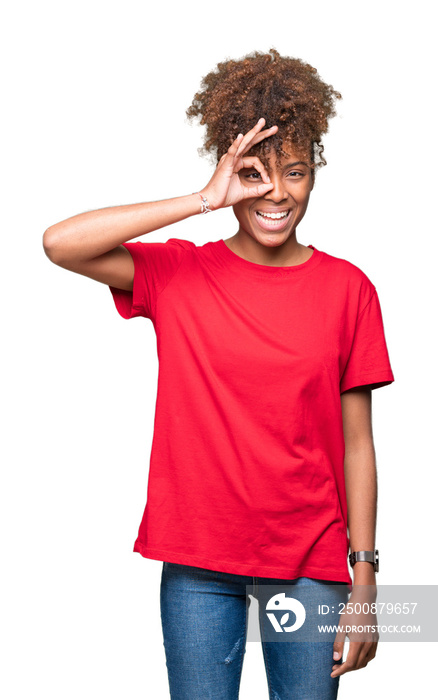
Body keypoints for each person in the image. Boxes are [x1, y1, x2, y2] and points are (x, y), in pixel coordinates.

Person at [43, 48, 394, 700]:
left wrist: (367, 577)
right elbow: (61, 243)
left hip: (312, 562)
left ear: (314, 172)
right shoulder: (178, 275)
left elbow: (357, 444)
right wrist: (203, 199)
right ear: (231, 168)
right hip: (200, 562)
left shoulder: (350, 290)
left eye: (295, 172)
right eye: (257, 174)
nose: (277, 194)